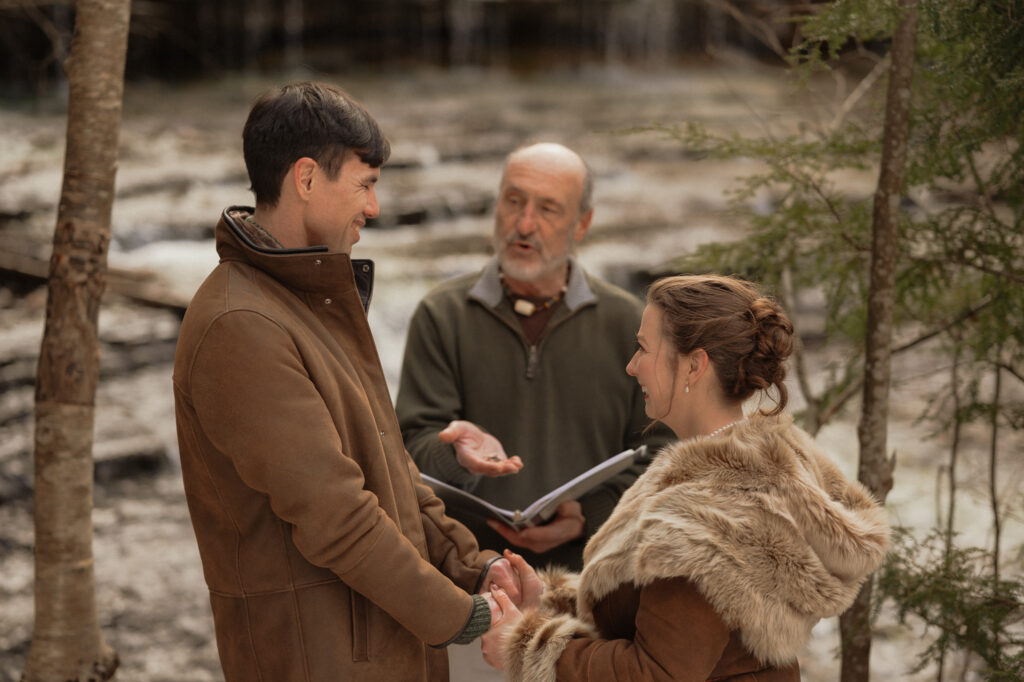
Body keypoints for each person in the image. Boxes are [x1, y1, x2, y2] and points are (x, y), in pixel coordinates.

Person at [172, 81, 524, 682]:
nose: (375, 208)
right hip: (315, 660)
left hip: (377, 647)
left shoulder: (309, 300)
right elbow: (336, 517)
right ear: (306, 179)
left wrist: (474, 567)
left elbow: (391, 472)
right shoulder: (241, 325)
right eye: (365, 184)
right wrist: (462, 617)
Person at [479, 274, 891, 681]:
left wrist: (523, 645)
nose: (631, 366)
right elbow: (659, 614)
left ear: (694, 365)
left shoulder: (705, 518)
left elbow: (656, 673)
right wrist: (549, 607)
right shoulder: (757, 468)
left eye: (643, 348)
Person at [396, 142, 673, 575]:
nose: (524, 224)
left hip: (596, 581)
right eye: (513, 202)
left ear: (582, 225)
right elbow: (409, 445)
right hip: (473, 577)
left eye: (548, 209)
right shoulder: (441, 314)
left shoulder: (630, 323)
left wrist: (588, 513)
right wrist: (456, 455)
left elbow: (663, 453)